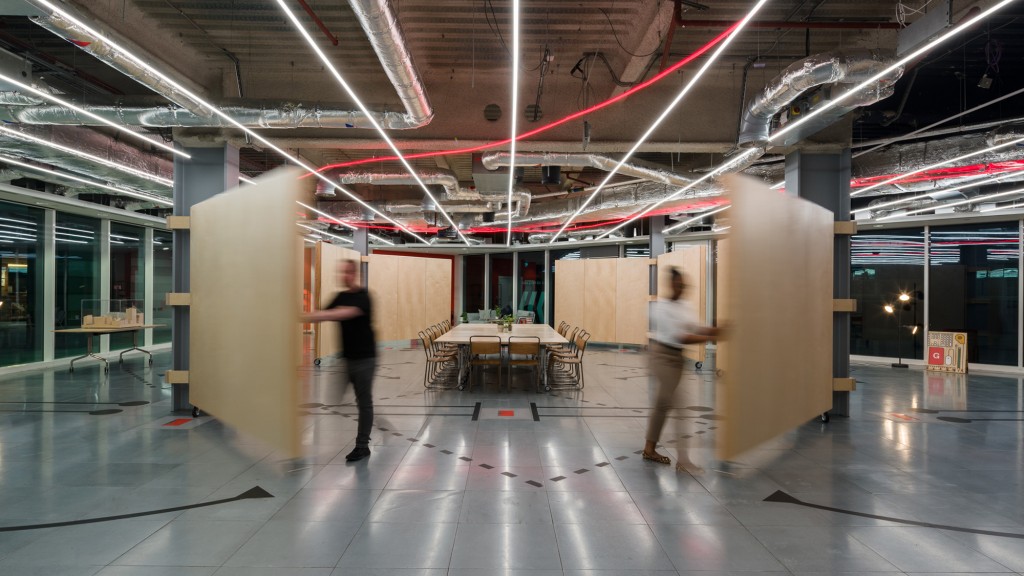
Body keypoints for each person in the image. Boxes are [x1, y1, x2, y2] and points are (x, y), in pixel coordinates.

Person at [643, 267, 723, 471]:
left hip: (677, 358)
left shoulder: (685, 306)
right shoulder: (659, 308)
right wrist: (713, 336)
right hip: (661, 356)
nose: (681, 288)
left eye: (684, 285)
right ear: (670, 285)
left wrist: (716, 330)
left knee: (662, 405)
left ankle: (649, 449)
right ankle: (684, 461)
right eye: (678, 285)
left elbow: (695, 328)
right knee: (679, 403)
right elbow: (682, 336)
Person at [303, 259, 377, 462]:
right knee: (336, 399)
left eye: (347, 272)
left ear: (355, 274)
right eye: (341, 273)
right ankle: (371, 421)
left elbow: (345, 313)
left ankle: (362, 446)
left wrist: (324, 314)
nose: (344, 276)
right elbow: (324, 314)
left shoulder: (364, 296)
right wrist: (303, 316)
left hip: (365, 358)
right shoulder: (340, 296)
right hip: (348, 359)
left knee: (364, 402)